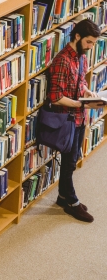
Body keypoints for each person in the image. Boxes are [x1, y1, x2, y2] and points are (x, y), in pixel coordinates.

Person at [48, 19, 104, 223]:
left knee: (72, 161)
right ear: (77, 37)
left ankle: (63, 196)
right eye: (89, 42)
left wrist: (89, 94)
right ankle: (71, 201)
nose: (91, 47)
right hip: (67, 120)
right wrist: (83, 105)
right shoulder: (62, 60)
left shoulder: (81, 58)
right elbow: (56, 97)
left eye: (94, 43)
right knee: (69, 161)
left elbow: (80, 84)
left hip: (80, 118)